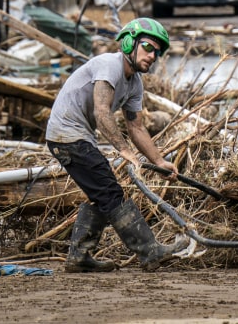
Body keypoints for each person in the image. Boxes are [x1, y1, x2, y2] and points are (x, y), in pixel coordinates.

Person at [46, 18, 191, 273]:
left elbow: (136, 127)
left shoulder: (135, 83)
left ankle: (79, 257)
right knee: (111, 193)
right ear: (128, 43)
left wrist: (159, 161)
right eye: (147, 47)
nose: (152, 56)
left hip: (78, 137)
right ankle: (149, 251)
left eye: (157, 52)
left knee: (101, 193)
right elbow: (102, 113)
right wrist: (124, 150)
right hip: (66, 135)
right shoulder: (108, 66)